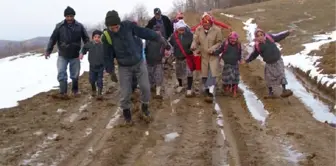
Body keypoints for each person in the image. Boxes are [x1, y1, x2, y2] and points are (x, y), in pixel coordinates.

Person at [102, 10, 170, 125]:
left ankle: (144, 108)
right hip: (124, 67)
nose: (115, 29)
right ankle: (127, 115)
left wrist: (159, 38)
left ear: (119, 23)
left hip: (138, 62)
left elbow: (143, 32)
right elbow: (107, 55)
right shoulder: (107, 36)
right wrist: (111, 71)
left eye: (116, 26)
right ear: (108, 27)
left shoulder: (128, 26)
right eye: (111, 28)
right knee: (125, 93)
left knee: (145, 87)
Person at [45, 6, 90, 99]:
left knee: (75, 74)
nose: (69, 18)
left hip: (75, 54)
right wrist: (48, 50)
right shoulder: (59, 26)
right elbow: (53, 39)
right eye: (67, 16)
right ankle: (63, 93)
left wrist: (85, 49)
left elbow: (86, 39)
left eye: (71, 16)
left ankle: (75, 90)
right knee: (61, 73)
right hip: (62, 54)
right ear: (65, 16)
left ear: (74, 16)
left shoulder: (79, 26)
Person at [244, 28, 294, 98]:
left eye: (261, 35)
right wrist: (247, 60)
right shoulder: (257, 46)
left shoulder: (270, 37)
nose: (260, 37)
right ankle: (270, 92)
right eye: (258, 36)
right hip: (269, 64)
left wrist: (288, 32)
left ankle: (284, 90)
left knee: (281, 75)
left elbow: (279, 36)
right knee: (269, 78)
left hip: (278, 61)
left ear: (264, 34)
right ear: (256, 37)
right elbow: (254, 54)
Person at [191, 13, 223, 103]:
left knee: (212, 73)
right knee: (204, 74)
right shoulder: (199, 29)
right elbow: (195, 40)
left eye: (208, 24)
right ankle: (206, 89)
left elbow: (220, 42)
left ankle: (210, 93)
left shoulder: (217, 30)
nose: (206, 26)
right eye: (204, 24)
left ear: (211, 23)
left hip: (213, 56)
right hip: (204, 55)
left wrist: (213, 48)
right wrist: (193, 46)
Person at [169, 20, 195, 97]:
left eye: (183, 29)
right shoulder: (173, 36)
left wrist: (194, 48)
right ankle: (180, 85)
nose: (182, 31)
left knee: (189, 73)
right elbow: (170, 45)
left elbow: (195, 42)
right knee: (179, 73)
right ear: (177, 29)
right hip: (178, 57)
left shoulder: (190, 35)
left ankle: (189, 89)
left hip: (187, 57)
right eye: (180, 29)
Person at [213, 32, 242, 97]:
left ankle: (234, 90)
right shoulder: (225, 44)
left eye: (234, 39)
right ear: (228, 39)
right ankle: (227, 88)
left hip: (235, 64)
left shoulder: (238, 45)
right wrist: (213, 53)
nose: (233, 40)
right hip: (226, 64)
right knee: (227, 77)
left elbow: (239, 53)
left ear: (237, 39)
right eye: (231, 39)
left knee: (235, 77)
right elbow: (220, 50)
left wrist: (240, 60)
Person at [145, 25, 170, 99]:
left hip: (158, 61)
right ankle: (151, 88)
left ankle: (158, 93)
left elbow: (168, 47)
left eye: (158, 31)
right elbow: (144, 49)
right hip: (149, 61)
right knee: (149, 76)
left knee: (158, 76)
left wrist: (165, 56)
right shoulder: (147, 40)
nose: (157, 32)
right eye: (155, 31)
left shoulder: (162, 39)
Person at [79, 30, 105, 100]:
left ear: (101, 38)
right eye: (95, 37)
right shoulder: (90, 44)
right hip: (92, 66)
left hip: (101, 66)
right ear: (92, 38)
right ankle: (93, 90)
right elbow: (84, 48)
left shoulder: (103, 45)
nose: (97, 38)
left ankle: (99, 93)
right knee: (92, 79)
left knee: (100, 80)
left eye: (99, 37)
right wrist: (81, 54)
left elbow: (109, 53)